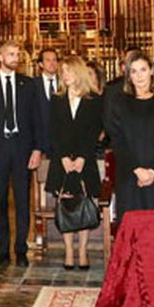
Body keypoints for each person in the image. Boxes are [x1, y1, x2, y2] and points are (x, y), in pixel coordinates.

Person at [0, 42, 45, 268]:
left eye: (17, 55)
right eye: (11, 54)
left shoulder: (28, 84)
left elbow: (37, 119)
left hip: (22, 149)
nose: (16, 58)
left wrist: (37, 149)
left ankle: (21, 249)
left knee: (23, 201)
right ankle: (3, 249)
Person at [104, 50, 154, 221]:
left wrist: (152, 171)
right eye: (134, 71)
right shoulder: (119, 102)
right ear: (128, 75)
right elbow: (118, 140)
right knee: (133, 232)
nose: (139, 76)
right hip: (130, 176)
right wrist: (138, 170)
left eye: (143, 70)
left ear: (152, 71)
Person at [46, 55, 103, 270]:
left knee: (84, 203)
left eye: (68, 71)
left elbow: (93, 131)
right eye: (63, 71)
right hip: (62, 161)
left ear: (78, 72)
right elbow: (53, 131)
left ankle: (83, 250)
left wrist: (81, 157)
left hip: (84, 160)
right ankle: (69, 250)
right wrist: (62, 157)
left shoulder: (93, 100)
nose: (64, 75)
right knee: (66, 205)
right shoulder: (57, 99)